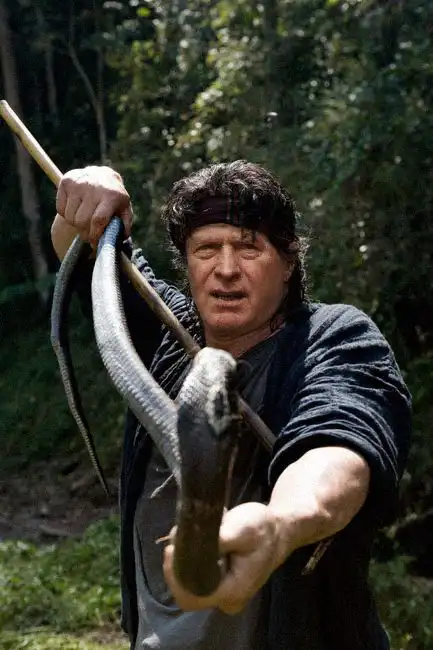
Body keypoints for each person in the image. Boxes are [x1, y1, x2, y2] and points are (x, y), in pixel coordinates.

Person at [51, 160, 411, 650]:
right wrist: (93, 190)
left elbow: (338, 444)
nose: (225, 269)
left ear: (288, 263)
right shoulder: (165, 334)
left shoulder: (333, 339)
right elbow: (83, 246)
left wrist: (281, 524)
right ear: (187, 263)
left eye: (248, 247)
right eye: (206, 249)